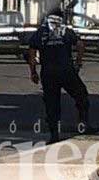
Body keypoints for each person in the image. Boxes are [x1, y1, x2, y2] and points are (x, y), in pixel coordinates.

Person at [27, 8, 89, 143]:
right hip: (66, 71)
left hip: (48, 73)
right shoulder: (65, 31)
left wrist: (33, 71)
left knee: (51, 103)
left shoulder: (41, 32)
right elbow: (80, 45)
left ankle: (54, 135)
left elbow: (32, 51)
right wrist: (78, 62)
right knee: (81, 95)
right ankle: (83, 125)